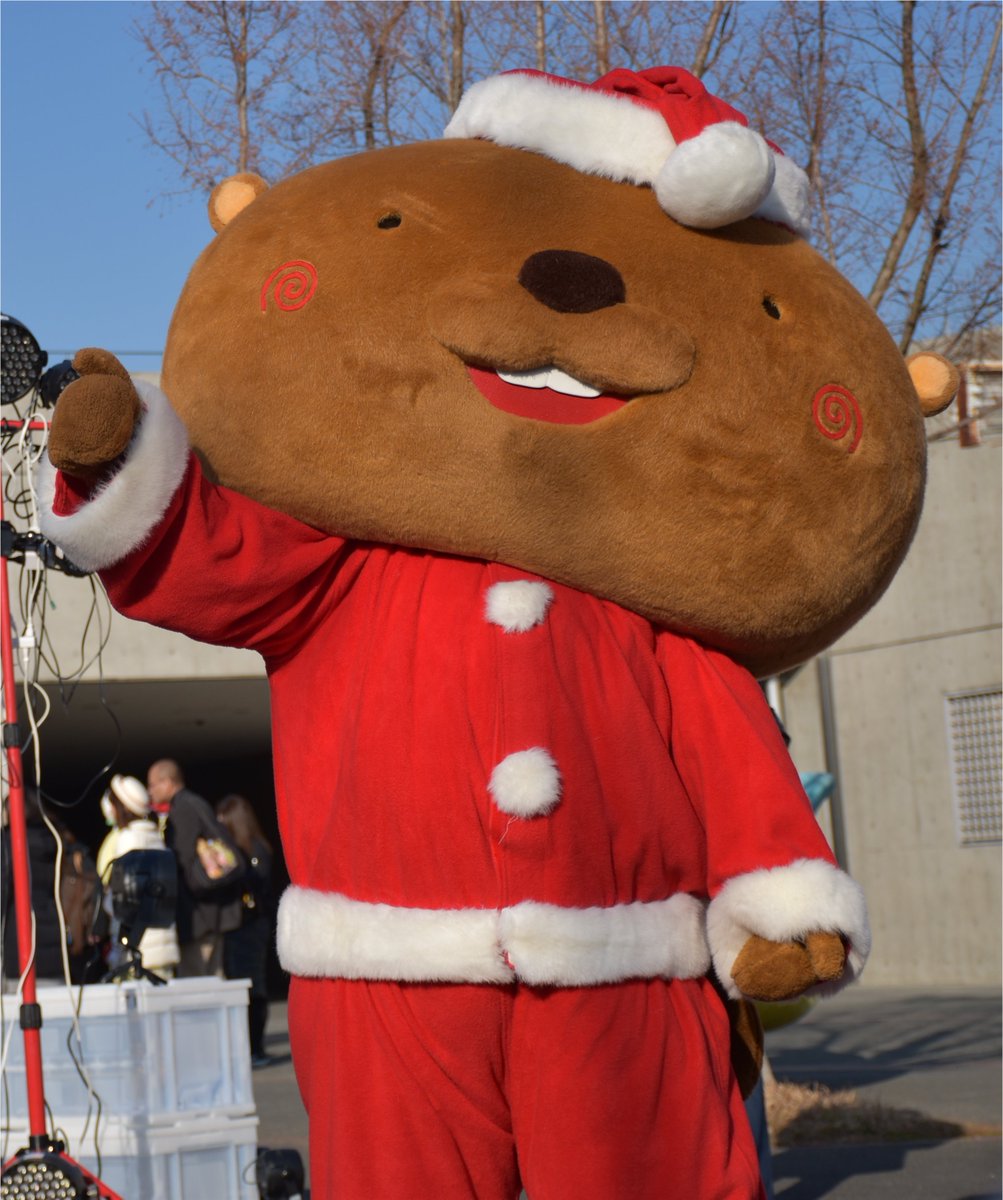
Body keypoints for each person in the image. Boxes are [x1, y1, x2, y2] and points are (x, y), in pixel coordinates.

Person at [147, 759, 243, 977]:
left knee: (198, 989)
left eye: (153, 785)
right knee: (215, 981)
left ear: (168, 782)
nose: (150, 792)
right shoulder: (195, 802)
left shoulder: (182, 809)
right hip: (212, 914)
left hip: (198, 918)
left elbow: (182, 859)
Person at [1, 790, 96, 987]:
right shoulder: (58, 840)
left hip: (18, 940)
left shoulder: (7, 845)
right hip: (56, 934)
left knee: (20, 1006)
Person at [101, 774, 180, 980]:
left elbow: (121, 901)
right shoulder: (154, 836)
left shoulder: (128, 839)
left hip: (138, 947)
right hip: (162, 942)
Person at [216, 793, 274, 1067]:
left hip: (251, 926)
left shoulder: (255, 851)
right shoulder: (241, 850)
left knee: (253, 987)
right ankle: (248, 1047)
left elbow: (260, 886)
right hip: (239, 926)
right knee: (240, 986)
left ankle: (256, 1047)